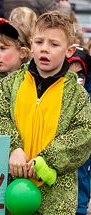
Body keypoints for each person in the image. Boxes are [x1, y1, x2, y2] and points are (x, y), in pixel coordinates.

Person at [0, 11, 91, 214]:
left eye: (54, 44)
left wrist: (48, 160)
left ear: (69, 51)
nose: (44, 50)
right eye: (39, 42)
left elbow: (84, 133)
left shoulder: (77, 95)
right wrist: (13, 148)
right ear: (31, 44)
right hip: (9, 190)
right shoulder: (9, 85)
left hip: (56, 198)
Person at [68, 48, 91, 215]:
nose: (77, 77)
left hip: (84, 145)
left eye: (80, 73)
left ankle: (80, 208)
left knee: (82, 175)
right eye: (71, 72)